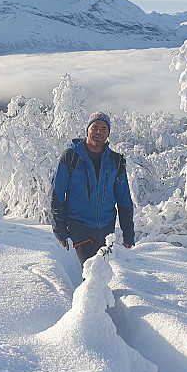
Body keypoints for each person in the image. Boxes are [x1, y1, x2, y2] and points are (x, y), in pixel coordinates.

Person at [51, 111, 135, 266]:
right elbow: (57, 194)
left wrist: (128, 233)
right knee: (90, 271)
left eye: (104, 128)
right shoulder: (71, 157)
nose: (99, 132)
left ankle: (99, 291)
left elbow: (124, 199)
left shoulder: (116, 161)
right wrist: (60, 229)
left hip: (107, 227)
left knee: (102, 271)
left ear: (108, 133)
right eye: (95, 127)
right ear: (87, 129)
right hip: (79, 225)